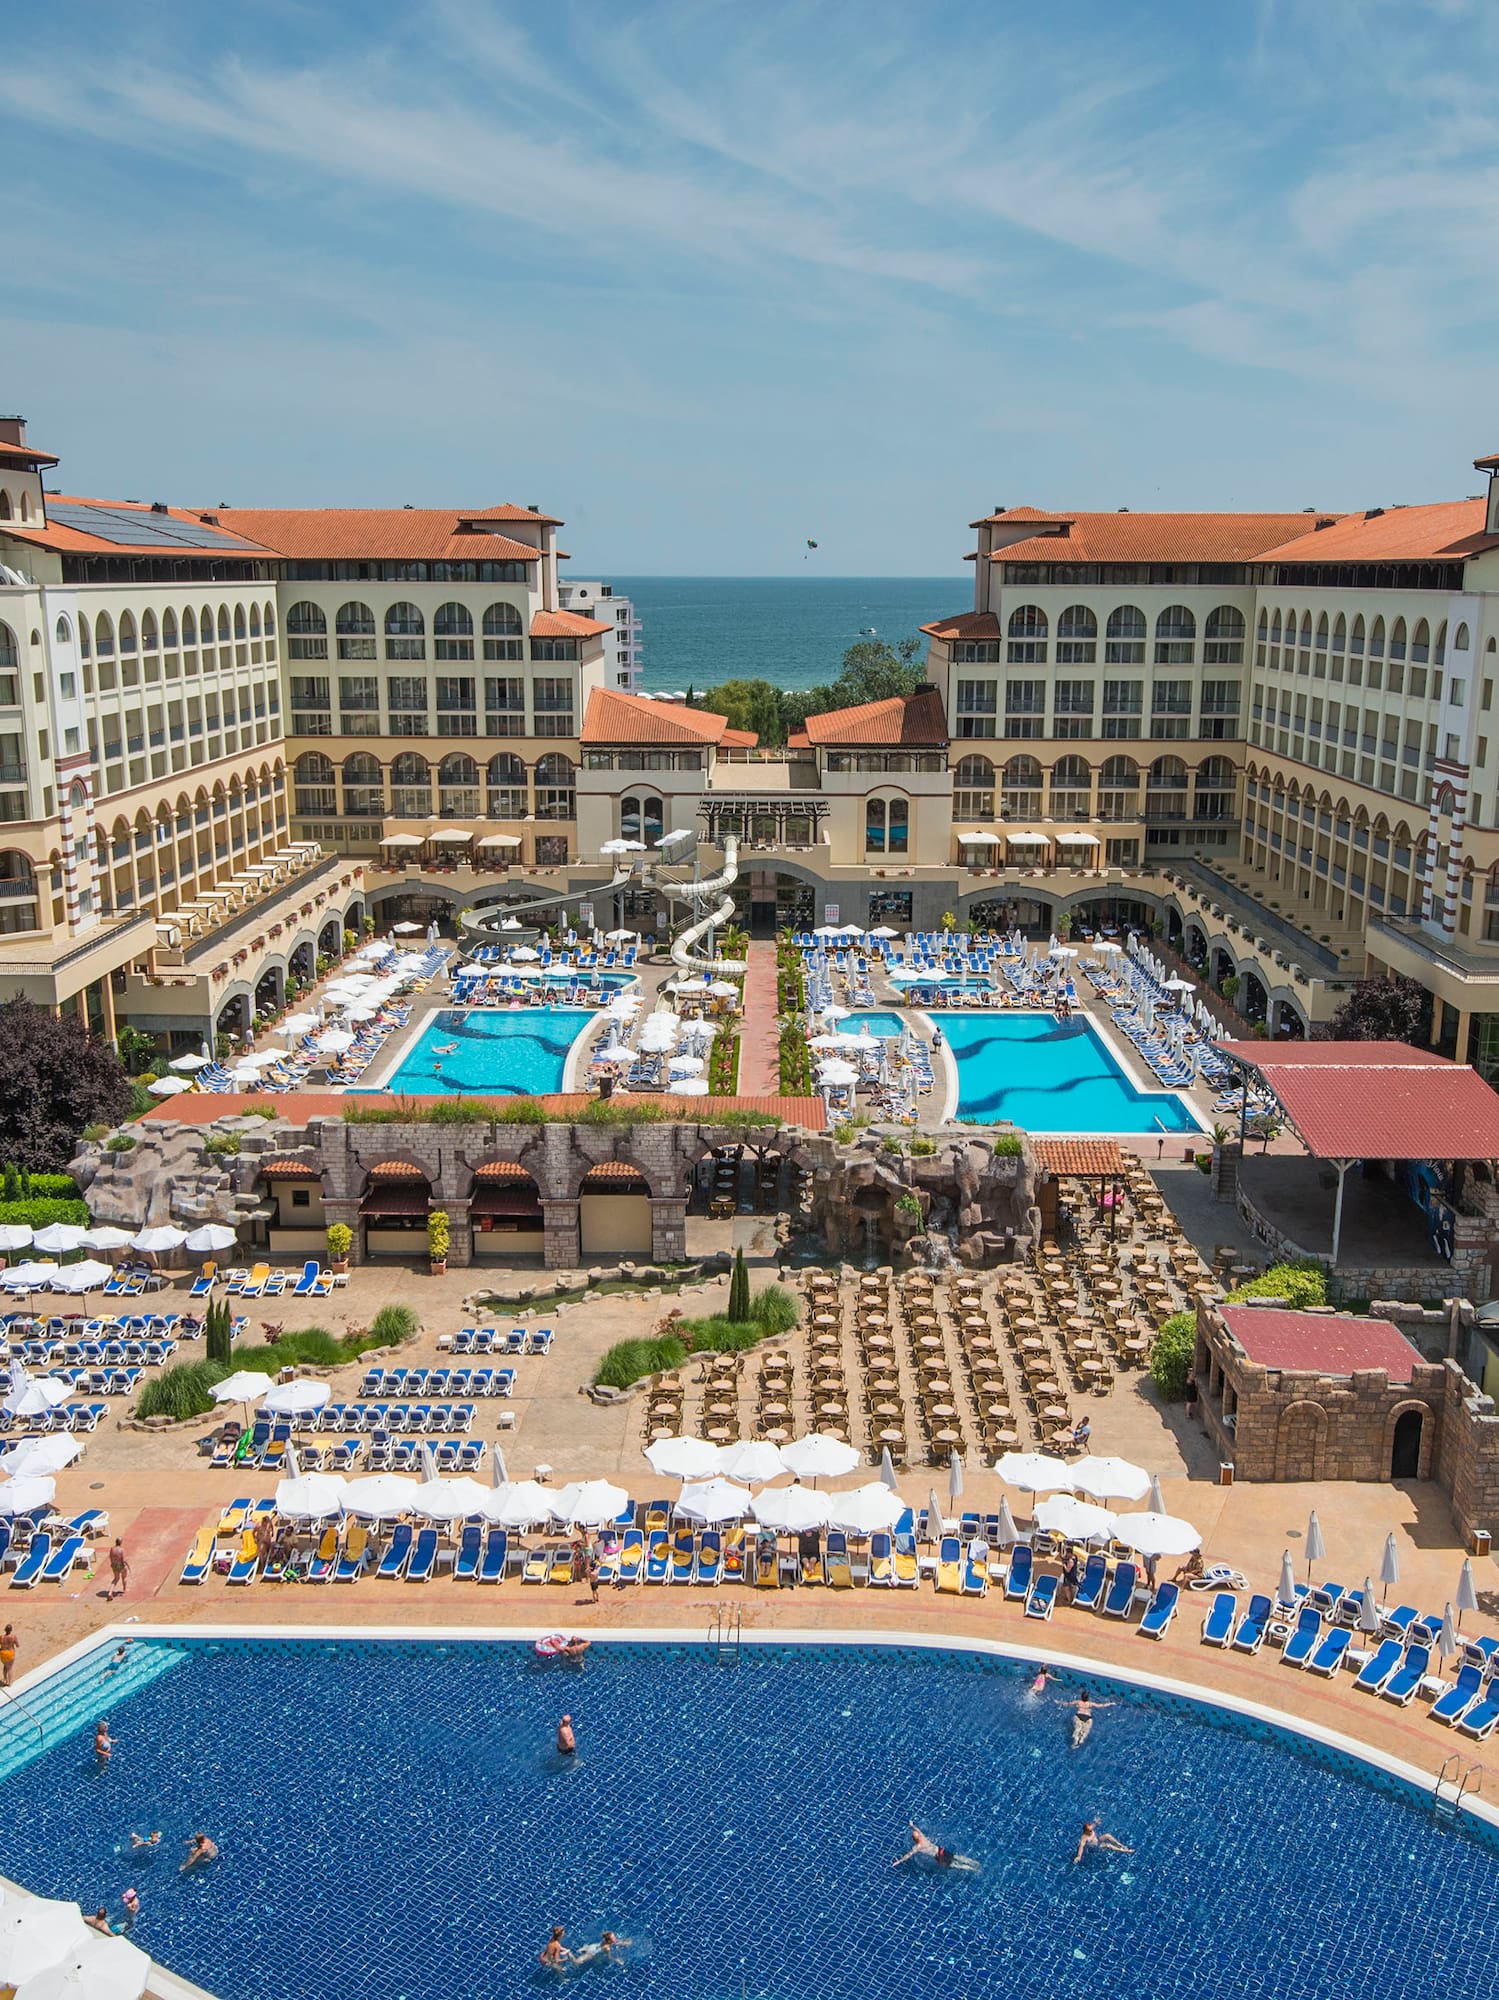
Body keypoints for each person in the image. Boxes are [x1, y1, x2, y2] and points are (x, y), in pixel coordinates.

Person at [892, 1822, 980, 1873]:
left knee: (954, 1864)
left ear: (914, 1839)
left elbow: (908, 1855)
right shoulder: (923, 1838)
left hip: (939, 1857)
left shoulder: (917, 1846)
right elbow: (917, 1830)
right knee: (956, 1857)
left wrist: (898, 1861)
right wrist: (912, 1825)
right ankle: (973, 1862)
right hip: (941, 1850)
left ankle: (972, 1869)